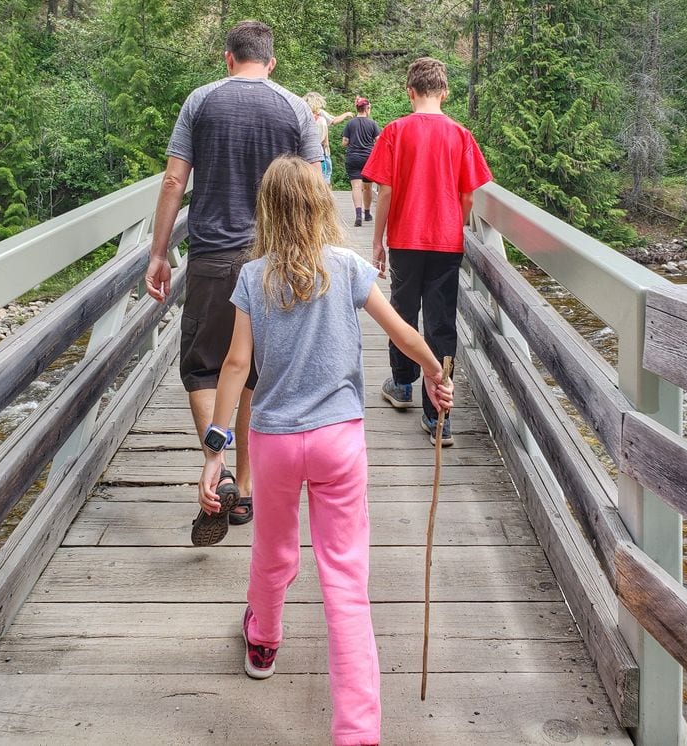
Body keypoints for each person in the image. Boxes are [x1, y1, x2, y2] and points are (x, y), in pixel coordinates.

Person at [197, 156, 453, 746]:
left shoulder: (252, 277)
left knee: (274, 551)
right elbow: (403, 332)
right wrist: (435, 372)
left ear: (267, 210)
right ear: (321, 206)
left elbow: (236, 365)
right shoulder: (348, 267)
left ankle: (262, 641)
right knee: (343, 579)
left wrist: (217, 448)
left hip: (277, 444)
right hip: (340, 441)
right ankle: (358, 732)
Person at [145, 20, 323, 546]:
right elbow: (314, 187)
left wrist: (159, 252)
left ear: (229, 58)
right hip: (274, 259)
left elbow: (175, 178)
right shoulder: (295, 107)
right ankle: (243, 490)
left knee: (203, 366)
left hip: (213, 257)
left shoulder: (200, 101)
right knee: (252, 373)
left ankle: (216, 465)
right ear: (271, 61)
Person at [362, 57, 492, 447]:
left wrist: (376, 242)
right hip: (445, 243)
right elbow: (469, 195)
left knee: (403, 313)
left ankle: (402, 384)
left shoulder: (395, 132)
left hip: (404, 239)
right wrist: (454, 220)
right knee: (441, 323)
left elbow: (383, 191)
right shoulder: (461, 134)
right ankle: (438, 416)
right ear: (445, 92)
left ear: (410, 91)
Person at [342, 97, 381, 227]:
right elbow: (379, 141)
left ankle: (358, 214)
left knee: (356, 187)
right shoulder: (372, 124)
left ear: (357, 108)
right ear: (367, 108)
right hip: (368, 159)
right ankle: (367, 213)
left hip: (353, 158)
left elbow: (345, 142)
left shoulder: (350, 123)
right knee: (368, 187)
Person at [303, 93, 332, 184]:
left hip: (304, 153)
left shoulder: (302, 118)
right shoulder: (321, 120)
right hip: (319, 152)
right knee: (323, 179)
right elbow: (325, 141)